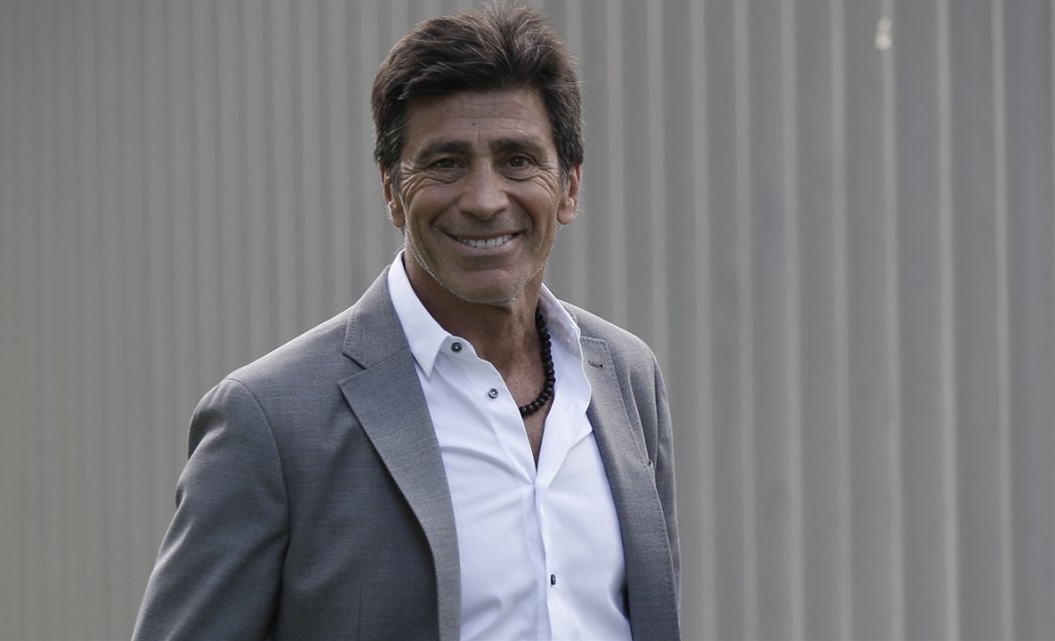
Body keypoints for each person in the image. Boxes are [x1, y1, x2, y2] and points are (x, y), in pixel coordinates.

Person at [132, 4, 679, 640]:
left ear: (570, 186)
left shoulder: (626, 378)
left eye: (517, 160)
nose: (484, 199)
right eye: (446, 163)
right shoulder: (269, 421)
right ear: (392, 189)